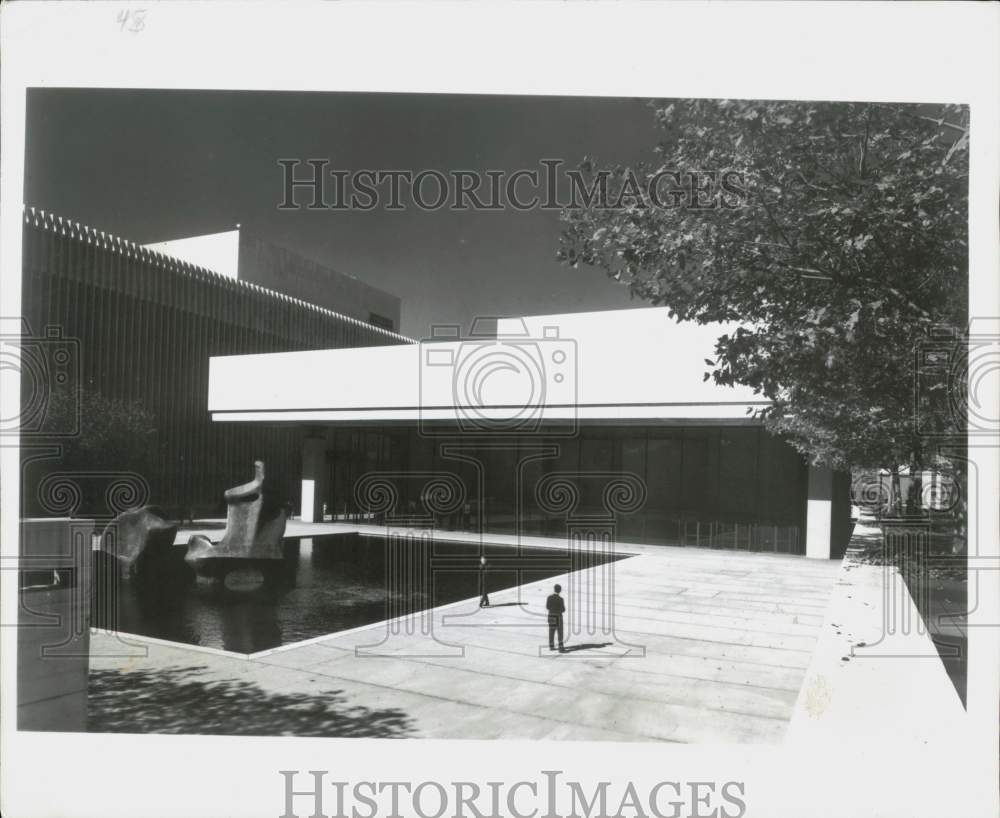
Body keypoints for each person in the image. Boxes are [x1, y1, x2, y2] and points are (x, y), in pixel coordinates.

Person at [546, 583, 566, 651]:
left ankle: (551, 646)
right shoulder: (561, 599)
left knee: (551, 631)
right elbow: (563, 609)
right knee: (560, 632)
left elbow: (547, 607)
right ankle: (560, 646)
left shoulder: (549, 597)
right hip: (558, 616)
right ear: (560, 590)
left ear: (554, 589)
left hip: (551, 616)